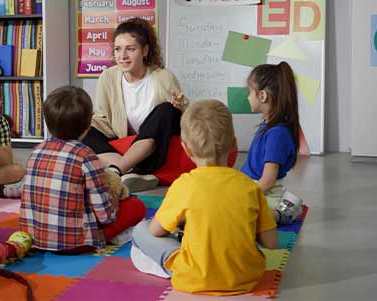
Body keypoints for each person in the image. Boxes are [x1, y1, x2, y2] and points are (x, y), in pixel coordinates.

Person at [131, 100, 278, 296]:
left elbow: (156, 231)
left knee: (141, 230)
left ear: (186, 149)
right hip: (247, 278)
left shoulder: (184, 184)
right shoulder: (250, 186)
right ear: (233, 144)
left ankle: (164, 266)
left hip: (193, 277)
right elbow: (271, 242)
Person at [20, 86, 146, 254]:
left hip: (36, 238)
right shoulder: (86, 156)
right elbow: (105, 215)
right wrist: (116, 198)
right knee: (137, 206)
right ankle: (118, 238)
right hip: (77, 243)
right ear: (88, 125)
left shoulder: (36, 151)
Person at [82, 17, 189, 193]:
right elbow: (103, 119)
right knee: (82, 129)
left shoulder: (163, 77)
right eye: (118, 49)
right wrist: (87, 124)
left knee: (166, 110)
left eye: (130, 49)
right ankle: (130, 170)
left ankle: (118, 169)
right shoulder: (107, 77)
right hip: (121, 142)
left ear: (145, 51)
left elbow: (185, 118)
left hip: (153, 149)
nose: (122, 56)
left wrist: (182, 107)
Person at [242, 62, 303, 224]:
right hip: (253, 188)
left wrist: (243, 195)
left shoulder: (277, 134)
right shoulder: (269, 127)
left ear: (262, 96)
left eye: (250, 92)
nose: (248, 97)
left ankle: (280, 214)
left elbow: (268, 181)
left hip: (265, 195)